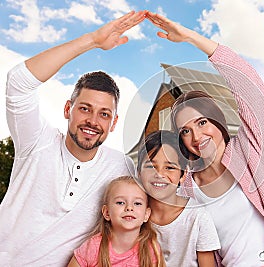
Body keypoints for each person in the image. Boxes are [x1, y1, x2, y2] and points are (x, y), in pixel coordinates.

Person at [146, 12, 264, 267]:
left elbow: (250, 87)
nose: (197, 136)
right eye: (185, 130)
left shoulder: (251, 149)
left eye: (202, 122)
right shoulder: (187, 187)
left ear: (217, 121)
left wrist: (190, 36)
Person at [0, 10, 147, 266]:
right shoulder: (37, 141)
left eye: (104, 114)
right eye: (85, 108)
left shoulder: (123, 168)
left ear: (113, 123)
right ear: (68, 109)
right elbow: (18, 82)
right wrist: (92, 40)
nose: (92, 121)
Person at [137, 130, 220, 267]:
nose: (159, 174)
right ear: (139, 172)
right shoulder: (134, 214)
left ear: (183, 174)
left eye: (169, 167)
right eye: (151, 166)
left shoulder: (197, 217)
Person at [67, 176, 166, 267]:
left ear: (146, 214)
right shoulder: (94, 247)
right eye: (120, 202)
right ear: (106, 212)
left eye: (137, 203)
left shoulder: (151, 249)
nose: (129, 208)